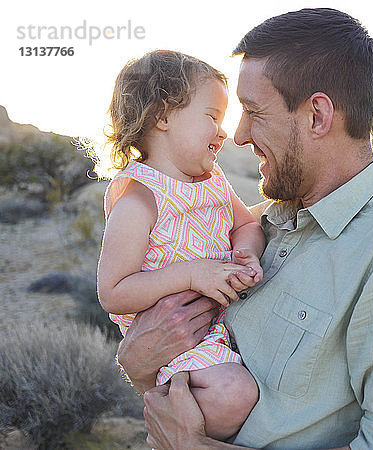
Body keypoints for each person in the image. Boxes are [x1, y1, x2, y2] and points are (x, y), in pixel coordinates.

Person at [119, 8, 373, 449]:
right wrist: (137, 364)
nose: (239, 135)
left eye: (253, 112)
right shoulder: (251, 226)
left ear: (317, 117)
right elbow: (177, 382)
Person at [96, 49, 265, 441]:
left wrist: (248, 252)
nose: (223, 132)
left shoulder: (212, 181)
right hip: (176, 344)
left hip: (218, 326)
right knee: (233, 395)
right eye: (212, 117)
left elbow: (247, 225)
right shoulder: (139, 200)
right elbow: (113, 292)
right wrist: (191, 274)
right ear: (163, 116)